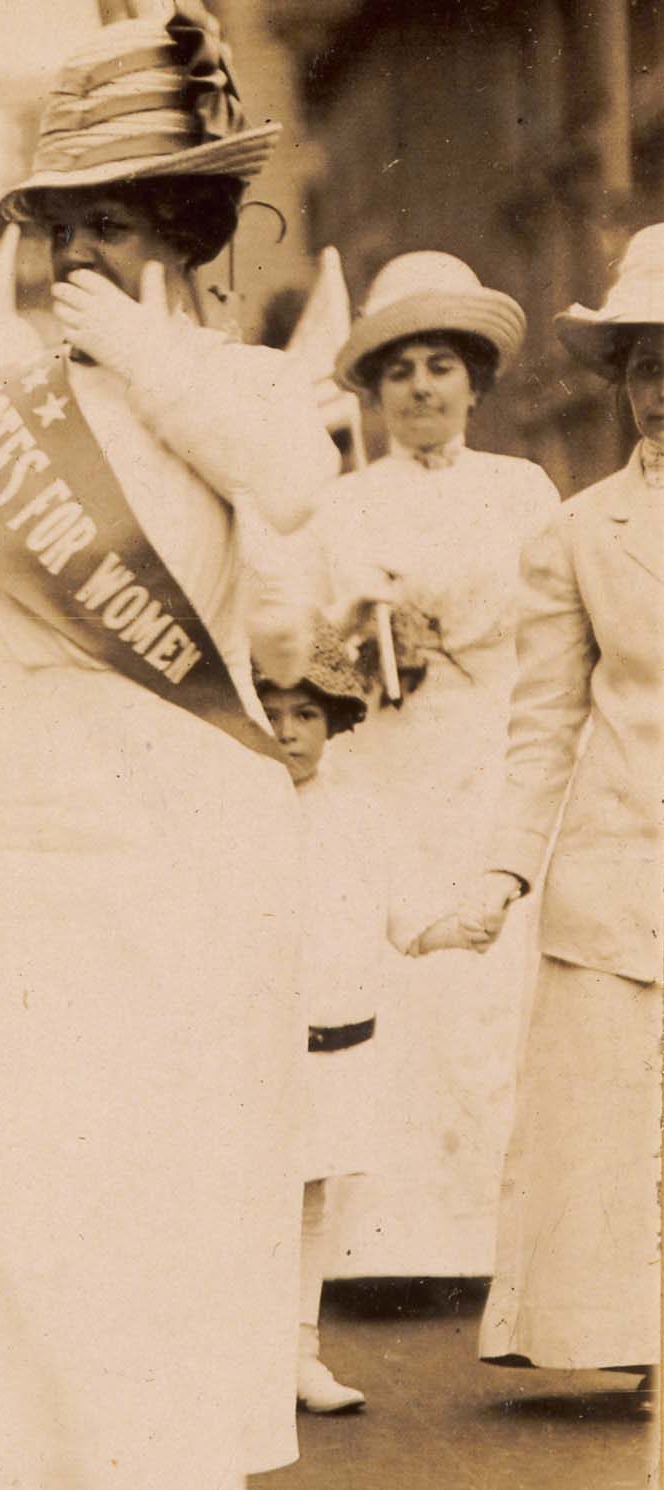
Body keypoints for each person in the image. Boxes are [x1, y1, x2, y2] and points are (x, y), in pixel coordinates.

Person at [0, 8, 335, 1484]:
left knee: (180, 1159)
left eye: (106, 227)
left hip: (192, 811)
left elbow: (297, 490)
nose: (74, 261)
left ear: (177, 231)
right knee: (34, 1161)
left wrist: (146, 356)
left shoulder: (240, 387)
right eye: (60, 232)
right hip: (31, 821)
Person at [309, 251, 562, 1280]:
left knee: (491, 990)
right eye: (400, 368)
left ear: (473, 381)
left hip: (494, 755)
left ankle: (491, 1239)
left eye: (439, 366)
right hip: (383, 766)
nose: (420, 387)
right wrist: (362, 643)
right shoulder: (339, 505)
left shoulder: (524, 490)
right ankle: (382, 1244)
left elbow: (557, 633)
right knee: (394, 978)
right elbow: (306, 657)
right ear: (373, 388)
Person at [455, 224, 664, 1384]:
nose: (659, 391)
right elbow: (540, 731)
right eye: (642, 362)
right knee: (616, 1127)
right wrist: (501, 870)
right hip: (618, 870)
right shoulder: (578, 535)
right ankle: (631, 1339)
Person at [259, 633, 479, 1414]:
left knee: (309, 1196)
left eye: (306, 713)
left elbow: (409, 923)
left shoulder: (359, 817)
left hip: (330, 1044)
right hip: (245, 1051)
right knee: (242, 1196)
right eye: (270, 711)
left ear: (336, 722)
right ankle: (227, 1357)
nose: (286, 730)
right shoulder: (227, 813)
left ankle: (296, 1354)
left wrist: (462, 926)